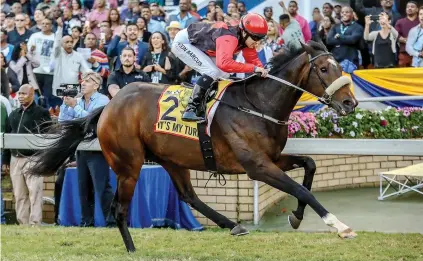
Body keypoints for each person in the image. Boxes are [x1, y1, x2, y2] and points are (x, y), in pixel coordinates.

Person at [171, 13, 269, 122]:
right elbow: (224, 63)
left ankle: (210, 103)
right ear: (244, 32)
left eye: (261, 38)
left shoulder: (246, 39)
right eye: (255, 37)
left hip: (201, 46)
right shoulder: (229, 37)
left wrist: (263, 72)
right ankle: (191, 109)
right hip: (184, 43)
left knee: (224, 74)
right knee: (212, 71)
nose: (257, 42)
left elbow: (253, 61)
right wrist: (254, 69)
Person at [58, 72, 115, 227]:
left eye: (88, 81)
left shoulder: (103, 100)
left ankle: (111, 223)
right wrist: (65, 104)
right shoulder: (77, 101)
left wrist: (74, 106)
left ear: (96, 85)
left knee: (102, 187)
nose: (83, 83)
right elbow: (63, 121)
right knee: (84, 188)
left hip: (97, 149)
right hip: (81, 148)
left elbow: (90, 121)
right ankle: (86, 222)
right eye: (83, 81)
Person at [1, 84, 51, 226]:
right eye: (19, 94)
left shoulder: (42, 113)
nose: (21, 96)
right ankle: (23, 224)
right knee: (19, 194)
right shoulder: (13, 115)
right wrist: (5, 160)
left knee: (35, 193)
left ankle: (35, 223)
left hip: (33, 158)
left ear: (32, 94)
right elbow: (8, 139)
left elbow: (47, 137)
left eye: (24, 94)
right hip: (15, 159)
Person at [395, 1, 420, 67]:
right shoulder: (400, 22)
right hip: (404, 53)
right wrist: (403, 39)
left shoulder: (420, 21)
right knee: (403, 75)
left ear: (417, 9)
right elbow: (395, 34)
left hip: (419, 53)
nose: (409, 8)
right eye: (408, 7)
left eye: (412, 7)